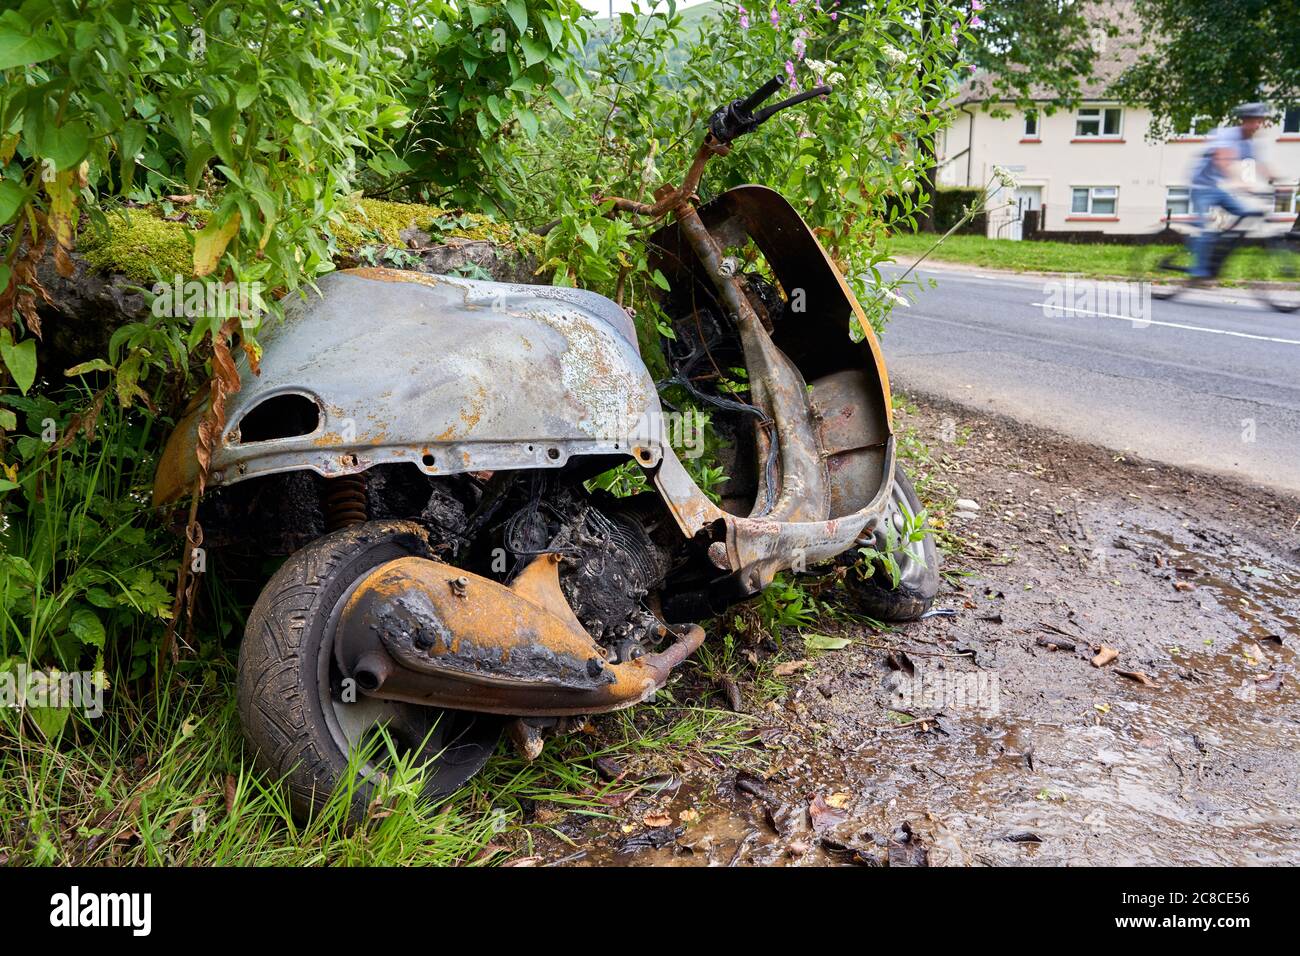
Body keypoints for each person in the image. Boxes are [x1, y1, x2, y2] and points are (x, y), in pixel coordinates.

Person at [1187, 102, 1274, 279]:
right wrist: (1239, 183)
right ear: (1244, 121)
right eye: (1255, 121)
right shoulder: (1227, 136)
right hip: (1200, 187)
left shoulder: (1247, 143)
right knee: (1206, 231)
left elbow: (1256, 164)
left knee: (1247, 212)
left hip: (1216, 188)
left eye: (1260, 121)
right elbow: (1223, 159)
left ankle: (1217, 248)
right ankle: (1199, 271)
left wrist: (1274, 180)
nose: (1258, 125)